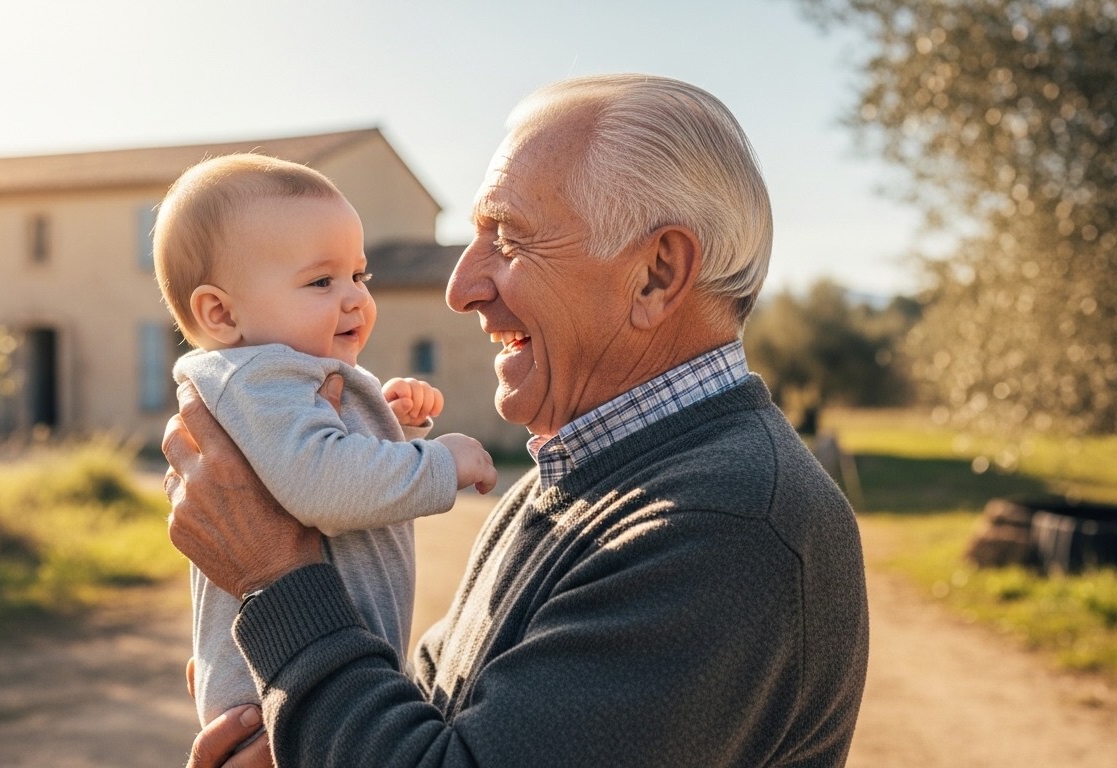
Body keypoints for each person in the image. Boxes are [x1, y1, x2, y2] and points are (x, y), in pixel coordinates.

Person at [163, 74, 870, 768]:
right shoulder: (567, 482)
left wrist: (273, 578)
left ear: (656, 273)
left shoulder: (726, 526)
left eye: (506, 239)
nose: (461, 287)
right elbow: (434, 716)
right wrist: (288, 737)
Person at [151, 154, 498, 726]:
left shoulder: (285, 380)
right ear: (221, 313)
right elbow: (323, 485)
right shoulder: (258, 375)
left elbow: (311, 466)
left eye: (360, 276)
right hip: (278, 690)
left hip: (311, 663)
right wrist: (439, 462)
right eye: (321, 281)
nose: (355, 298)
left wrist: (388, 425)